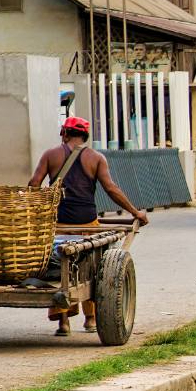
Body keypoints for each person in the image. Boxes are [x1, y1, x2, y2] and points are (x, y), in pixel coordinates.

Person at [27, 117, 149, 336]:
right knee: (93, 269)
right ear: (85, 136)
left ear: (64, 133)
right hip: (87, 225)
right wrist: (135, 212)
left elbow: (34, 185)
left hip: (59, 225)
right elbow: (111, 189)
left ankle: (63, 322)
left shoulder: (50, 155)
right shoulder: (96, 158)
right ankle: (91, 319)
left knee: (57, 270)